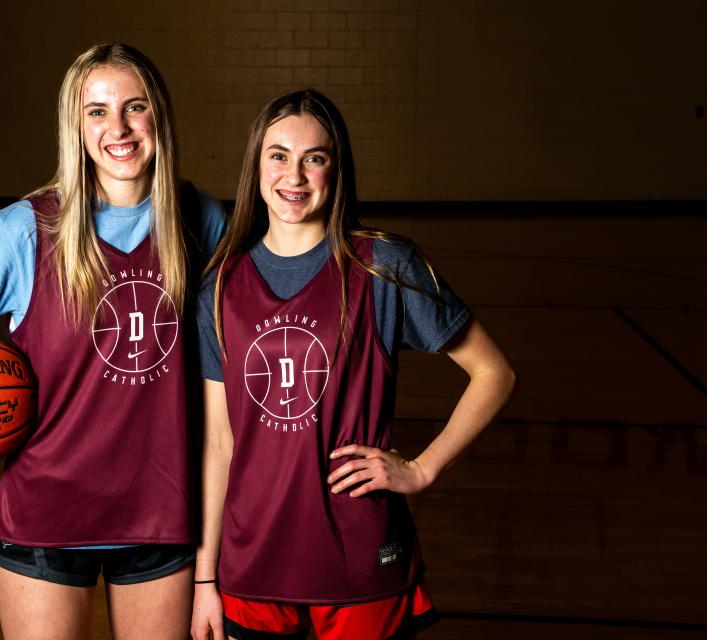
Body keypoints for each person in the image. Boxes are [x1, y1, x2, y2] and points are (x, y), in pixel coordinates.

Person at [0, 44, 226, 639]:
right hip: (44, 521)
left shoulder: (199, 219)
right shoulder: (22, 230)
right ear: (74, 126)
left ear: (158, 116)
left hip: (162, 518)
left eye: (134, 108)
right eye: (96, 111)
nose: (118, 128)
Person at [189, 89, 516, 640]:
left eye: (314, 158)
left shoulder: (385, 266)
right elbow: (219, 443)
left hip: (359, 559)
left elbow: (495, 373)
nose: (294, 175)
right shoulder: (219, 286)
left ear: (336, 170)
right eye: (278, 155)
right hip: (251, 564)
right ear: (256, 164)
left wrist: (421, 468)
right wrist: (204, 581)